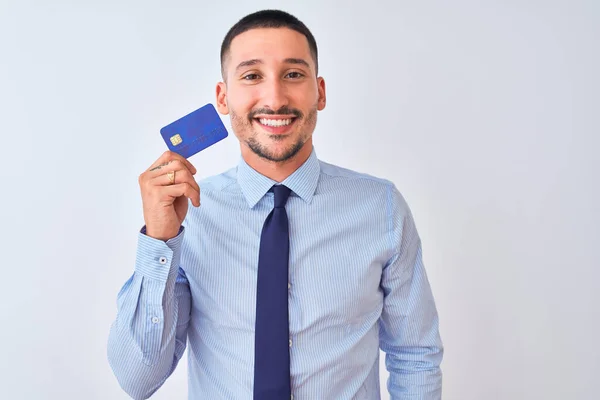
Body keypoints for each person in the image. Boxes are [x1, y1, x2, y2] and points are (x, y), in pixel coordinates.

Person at [107, 9, 443, 400]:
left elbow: (415, 354)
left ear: (320, 92)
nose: (275, 98)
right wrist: (160, 240)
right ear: (223, 97)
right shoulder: (190, 215)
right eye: (252, 76)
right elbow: (137, 378)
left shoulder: (381, 207)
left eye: (293, 74)